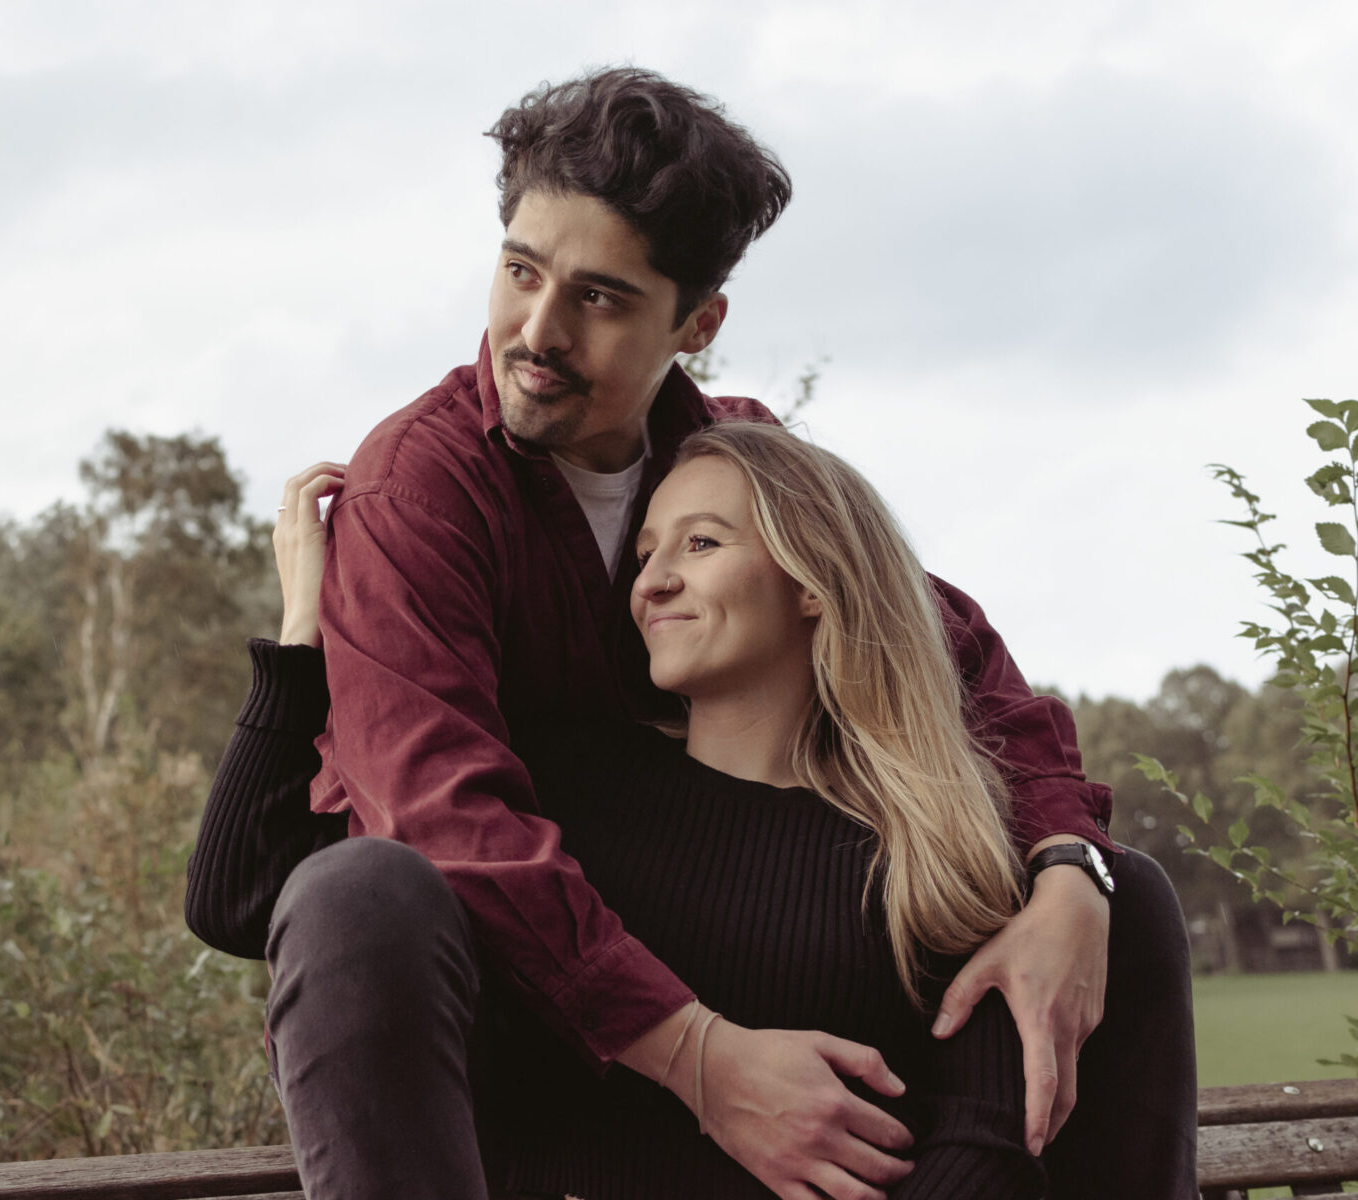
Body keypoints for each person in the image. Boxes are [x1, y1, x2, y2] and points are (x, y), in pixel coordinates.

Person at [186, 67, 1196, 1199]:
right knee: (360, 892)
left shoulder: (739, 459)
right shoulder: (418, 492)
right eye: (520, 272)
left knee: (1121, 895)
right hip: (518, 1015)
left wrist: (1068, 873)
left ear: (698, 323)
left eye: (602, 299)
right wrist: (703, 1059)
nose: (537, 331)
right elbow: (438, 822)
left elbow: (947, 660)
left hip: (738, 935)